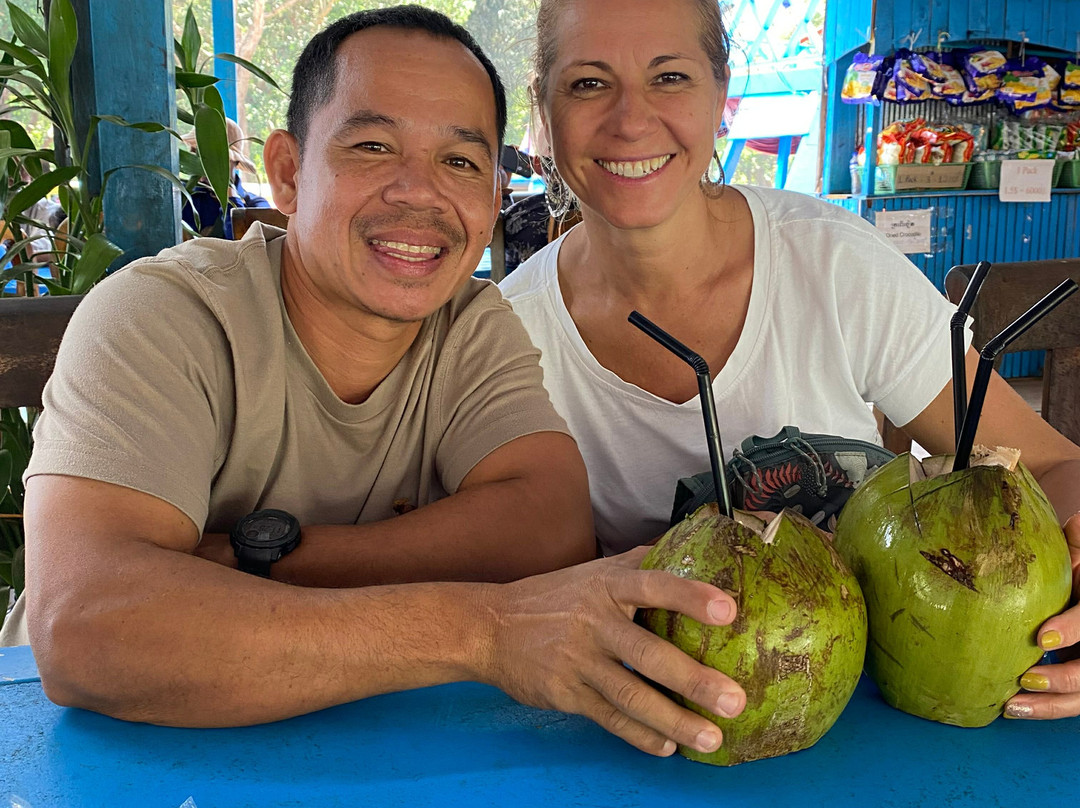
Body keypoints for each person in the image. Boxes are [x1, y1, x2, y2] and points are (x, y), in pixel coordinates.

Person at [4, 5, 749, 760]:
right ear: (288, 173)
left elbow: (546, 528)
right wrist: (482, 632)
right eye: (372, 146)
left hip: (371, 752)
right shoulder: (166, 316)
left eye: (460, 162)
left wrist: (245, 562)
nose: (419, 192)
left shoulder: (467, 323)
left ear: (493, 198)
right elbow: (89, 628)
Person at [499, 0, 1080, 722]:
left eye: (670, 77)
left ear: (721, 94)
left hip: (887, 709)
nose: (631, 120)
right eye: (589, 83)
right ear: (543, 109)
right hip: (660, 716)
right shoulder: (510, 335)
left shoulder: (834, 264)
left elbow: (1053, 466)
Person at [181, 118, 271, 239]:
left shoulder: (256, 206)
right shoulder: (184, 199)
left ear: (235, 161)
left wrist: (231, 200)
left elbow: (246, 245)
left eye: (212, 160)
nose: (203, 172)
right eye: (196, 159)